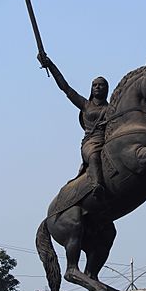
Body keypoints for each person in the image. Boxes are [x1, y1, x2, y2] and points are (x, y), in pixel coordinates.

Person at [37, 54, 108, 199]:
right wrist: (50, 65)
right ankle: (97, 185)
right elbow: (66, 88)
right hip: (91, 143)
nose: (97, 87)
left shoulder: (112, 108)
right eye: (95, 85)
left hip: (107, 140)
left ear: (106, 88)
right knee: (94, 156)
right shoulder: (85, 105)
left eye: (101, 85)